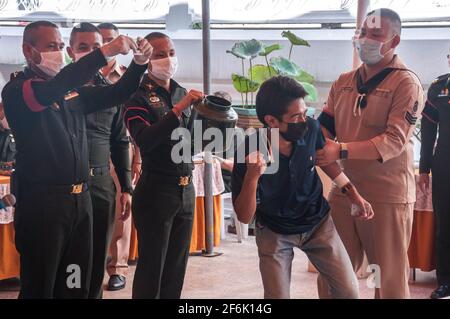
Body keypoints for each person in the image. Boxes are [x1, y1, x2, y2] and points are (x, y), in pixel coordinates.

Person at [1, 20, 152, 298]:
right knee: (41, 285)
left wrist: (140, 64)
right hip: (44, 205)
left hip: (80, 202)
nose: (58, 52)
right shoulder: (19, 91)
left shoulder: (75, 93)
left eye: (60, 46)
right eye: (51, 46)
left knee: (75, 281)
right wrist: (104, 52)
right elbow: (48, 93)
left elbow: (118, 94)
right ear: (28, 50)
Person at [232, 76, 374, 299]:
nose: (304, 121)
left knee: (349, 291)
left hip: (317, 222)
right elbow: (243, 215)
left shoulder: (311, 129)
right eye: (296, 117)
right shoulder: (249, 150)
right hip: (274, 229)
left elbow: (324, 160)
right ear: (271, 121)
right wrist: (252, 177)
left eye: (305, 113)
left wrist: (353, 194)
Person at [316, 8, 424, 298]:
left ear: (394, 41)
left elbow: (393, 141)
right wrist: (320, 146)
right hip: (343, 191)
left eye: (375, 35)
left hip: (386, 195)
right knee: (333, 269)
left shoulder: (406, 84)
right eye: (363, 33)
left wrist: (340, 149)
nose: (365, 40)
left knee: (384, 276)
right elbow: (324, 128)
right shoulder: (344, 82)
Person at [123, 32, 203, 299]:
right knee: (152, 267)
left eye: (170, 52)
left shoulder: (182, 92)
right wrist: (177, 111)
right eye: (160, 55)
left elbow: (194, 141)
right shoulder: (137, 97)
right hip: (157, 189)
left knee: (176, 267)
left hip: (185, 187)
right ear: (147, 61)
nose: (168, 59)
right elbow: (145, 141)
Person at [67, 22, 133, 299]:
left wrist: (126, 187)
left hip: (103, 185)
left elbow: (120, 140)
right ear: (71, 52)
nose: (94, 53)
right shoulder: (58, 89)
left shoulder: (110, 91)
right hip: (67, 188)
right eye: (84, 48)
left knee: (96, 257)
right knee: (71, 259)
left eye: (97, 47)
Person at [97, 22, 140, 292]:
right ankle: (90, 265)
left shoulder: (128, 77)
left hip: (122, 150)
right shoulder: (79, 75)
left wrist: (138, 158)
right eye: (102, 40)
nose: (106, 44)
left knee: (122, 211)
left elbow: (137, 120)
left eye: (111, 39)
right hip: (90, 150)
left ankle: (118, 268)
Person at [418, 48, 450, 299]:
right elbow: (428, 132)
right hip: (445, 164)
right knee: (445, 224)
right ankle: (446, 281)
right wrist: (424, 169)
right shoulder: (439, 88)